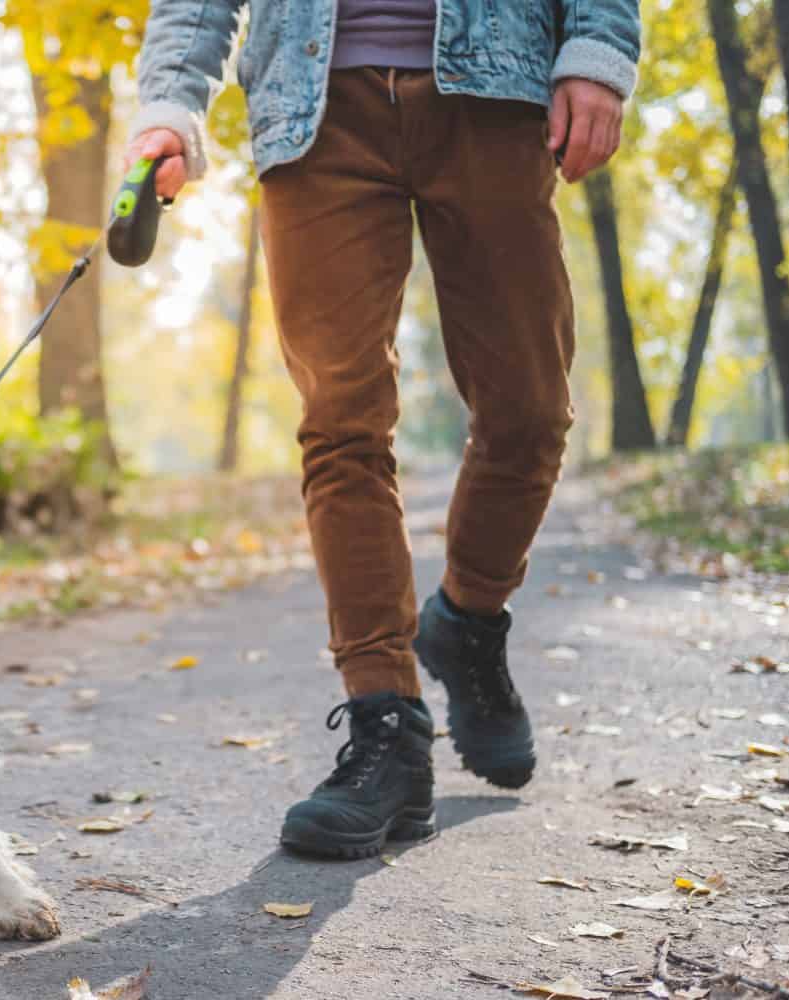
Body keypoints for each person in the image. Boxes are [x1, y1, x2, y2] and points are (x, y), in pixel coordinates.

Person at [126, 1, 640, 859]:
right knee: (341, 422)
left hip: (495, 87)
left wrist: (597, 45)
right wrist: (170, 104)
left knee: (529, 411)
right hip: (312, 106)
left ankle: (468, 622)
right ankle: (386, 723)